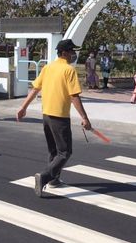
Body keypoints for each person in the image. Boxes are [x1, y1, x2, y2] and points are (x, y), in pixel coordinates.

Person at [16, 39, 92, 197]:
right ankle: (45, 176)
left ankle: (54, 179)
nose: (74, 54)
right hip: (60, 117)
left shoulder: (47, 68)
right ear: (64, 52)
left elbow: (35, 89)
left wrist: (23, 107)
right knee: (65, 152)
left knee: (54, 150)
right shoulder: (68, 70)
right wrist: (84, 118)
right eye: (72, 51)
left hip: (46, 116)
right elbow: (74, 96)